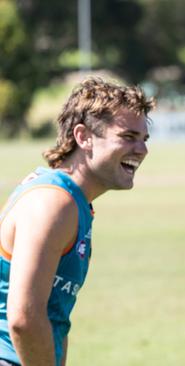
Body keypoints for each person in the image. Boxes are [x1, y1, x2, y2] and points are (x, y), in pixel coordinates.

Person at [0, 77, 154, 366]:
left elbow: (53, 316)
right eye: (127, 136)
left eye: (144, 139)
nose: (142, 150)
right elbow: (23, 318)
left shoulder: (72, 202)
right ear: (83, 137)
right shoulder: (53, 203)